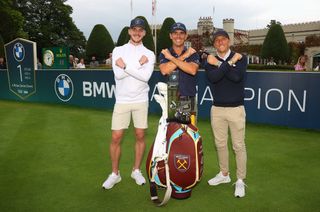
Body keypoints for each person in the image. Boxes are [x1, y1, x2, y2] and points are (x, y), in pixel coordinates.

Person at [102, 17, 155, 189]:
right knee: (116, 137)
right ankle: (114, 174)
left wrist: (126, 66)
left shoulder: (149, 54)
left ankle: (136, 170)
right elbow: (118, 75)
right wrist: (137, 65)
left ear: (144, 33)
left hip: (141, 99)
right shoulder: (118, 50)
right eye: (134, 29)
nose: (137, 32)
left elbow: (145, 77)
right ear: (129, 31)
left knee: (140, 135)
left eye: (141, 30)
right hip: (122, 100)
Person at [204, 30, 248, 198]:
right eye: (217, 40)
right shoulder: (210, 60)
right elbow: (214, 78)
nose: (220, 42)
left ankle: (240, 180)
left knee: (238, 145)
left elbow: (236, 77)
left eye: (223, 39)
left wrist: (221, 64)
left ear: (228, 41)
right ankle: (224, 174)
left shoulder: (241, 58)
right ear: (214, 44)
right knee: (220, 144)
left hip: (236, 108)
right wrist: (226, 63)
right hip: (217, 109)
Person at [159, 22, 200, 122]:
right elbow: (165, 70)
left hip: (187, 99)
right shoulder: (165, 53)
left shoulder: (193, 53)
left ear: (186, 36)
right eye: (175, 33)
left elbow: (192, 70)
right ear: (170, 36)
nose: (178, 36)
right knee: (170, 134)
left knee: (188, 135)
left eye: (181, 33)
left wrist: (171, 59)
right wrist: (184, 56)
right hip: (170, 99)